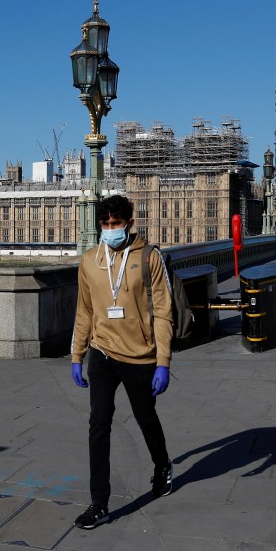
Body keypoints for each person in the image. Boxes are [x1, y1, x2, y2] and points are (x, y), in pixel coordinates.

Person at [70, 194, 175, 530]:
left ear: (130, 223)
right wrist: (78, 354)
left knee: (146, 418)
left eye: (116, 223)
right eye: (105, 224)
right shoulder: (89, 261)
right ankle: (98, 502)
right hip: (101, 353)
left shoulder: (148, 257)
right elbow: (84, 310)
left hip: (140, 355)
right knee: (98, 425)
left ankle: (161, 464)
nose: (110, 229)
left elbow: (163, 311)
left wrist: (163, 361)